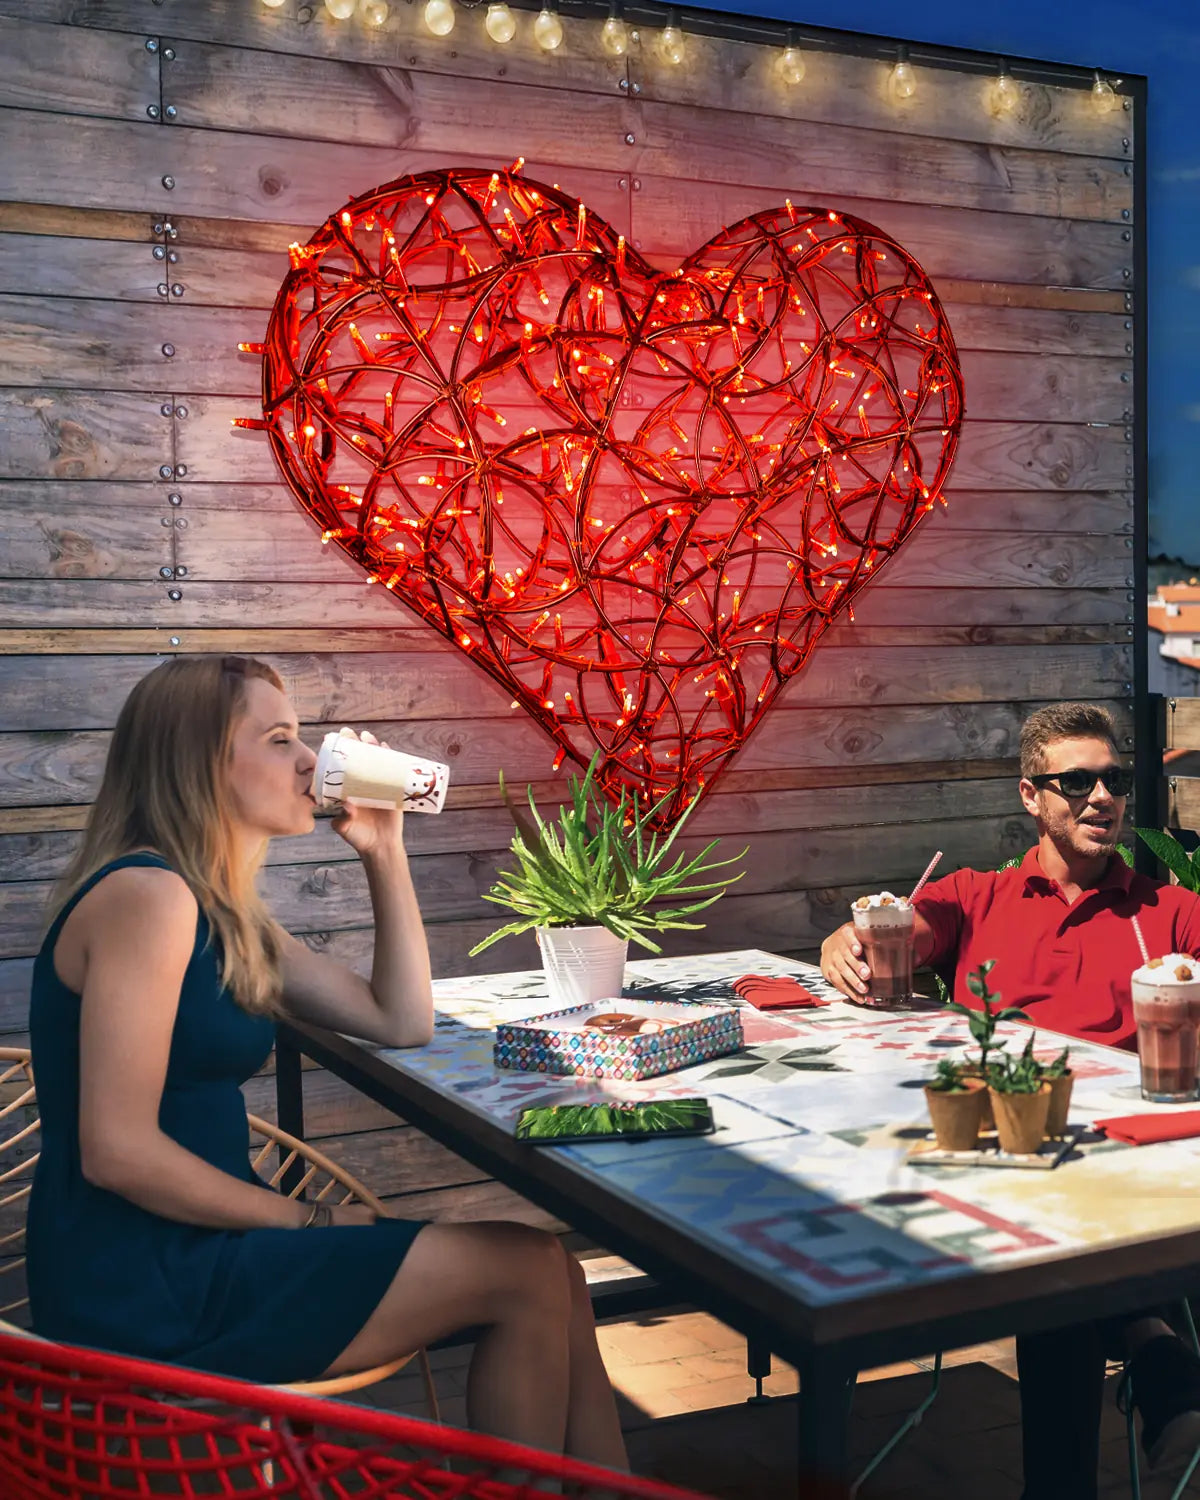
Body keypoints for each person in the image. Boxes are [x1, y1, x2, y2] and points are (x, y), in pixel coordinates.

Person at [27, 655, 627, 1472]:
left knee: (557, 1270)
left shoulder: (221, 912)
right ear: (200, 761)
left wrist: (384, 849)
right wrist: (302, 1219)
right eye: (280, 740)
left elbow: (401, 1019)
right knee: (525, 1271)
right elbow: (117, 1150)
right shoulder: (150, 897)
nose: (312, 762)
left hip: (208, 1245)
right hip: (147, 1277)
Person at [821, 701, 1200, 1499]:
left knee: (1062, 1256)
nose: (1102, 798)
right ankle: (1156, 1355)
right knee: (1054, 1240)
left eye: (1115, 780)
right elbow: (902, 931)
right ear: (1032, 795)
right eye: (1077, 781)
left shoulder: (1170, 915)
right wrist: (847, 943)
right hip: (995, 1164)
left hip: (1123, 1165)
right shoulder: (974, 897)